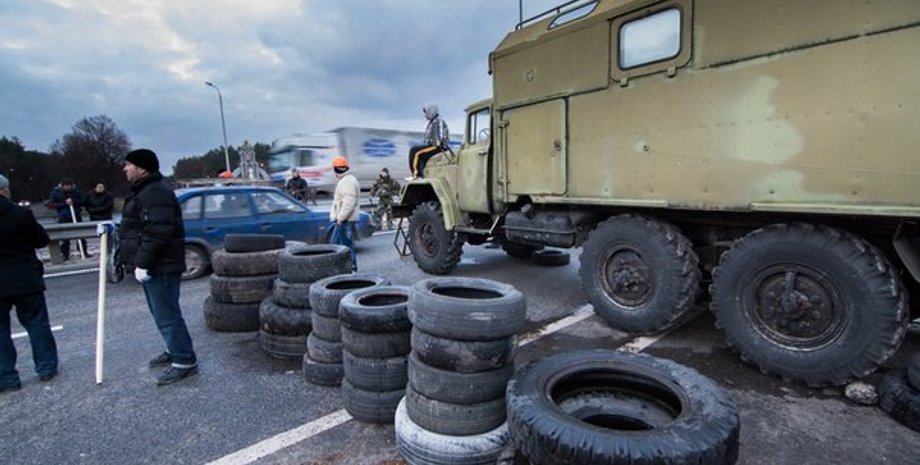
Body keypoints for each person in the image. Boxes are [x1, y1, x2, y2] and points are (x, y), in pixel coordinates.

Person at [119, 149, 198, 386]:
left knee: (167, 314)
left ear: (142, 168)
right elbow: (139, 226)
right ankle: (173, 349)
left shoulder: (155, 193)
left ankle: (184, 360)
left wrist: (143, 263)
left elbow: (158, 232)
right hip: (155, 264)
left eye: (128, 165)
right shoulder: (144, 191)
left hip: (161, 265)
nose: (125, 169)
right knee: (161, 313)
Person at [0, 174, 59, 392]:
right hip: (24, 277)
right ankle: (46, 368)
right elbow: (41, 240)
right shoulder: (21, 214)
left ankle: (6, 377)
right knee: (36, 323)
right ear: (4, 190)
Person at [329, 156, 360, 271]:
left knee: (345, 246)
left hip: (345, 220)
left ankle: (350, 266)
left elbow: (349, 203)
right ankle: (345, 267)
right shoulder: (347, 180)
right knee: (337, 245)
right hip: (344, 219)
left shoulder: (347, 182)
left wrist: (341, 218)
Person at [46, 177, 88, 261]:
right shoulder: (56, 192)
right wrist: (64, 203)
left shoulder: (76, 192)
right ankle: (65, 254)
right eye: (66, 186)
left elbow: (83, 201)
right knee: (64, 237)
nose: (67, 188)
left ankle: (83, 251)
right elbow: (51, 204)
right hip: (63, 216)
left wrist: (74, 202)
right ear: (62, 186)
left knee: (80, 235)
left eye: (69, 186)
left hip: (76, 215)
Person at [408, 104, 450, 178]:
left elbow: (438, 139)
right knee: (420, 155)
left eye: (426, 112)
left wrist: (436, 144)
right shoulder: (433, 121)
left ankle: (416, 175)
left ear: (431, 111)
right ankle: (422, 174)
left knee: (415, 152)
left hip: (438, 147)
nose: (425, 115)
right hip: (434, 146)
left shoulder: (438, 121)